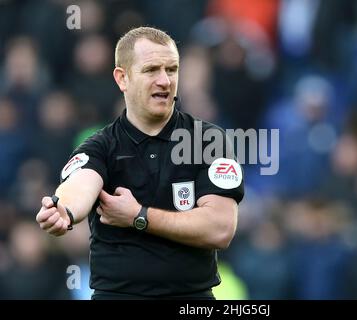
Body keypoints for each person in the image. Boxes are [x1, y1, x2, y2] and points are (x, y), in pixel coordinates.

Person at [35, 27, 244, 300]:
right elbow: (80, 184)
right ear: (123, 78)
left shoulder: (208, 140)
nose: (165, 81)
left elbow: (220, 229)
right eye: (151, 70)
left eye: (172, 69)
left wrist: (139, 216)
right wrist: (63, 210)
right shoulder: (101, 145)